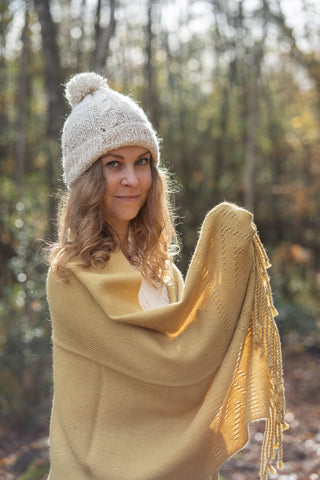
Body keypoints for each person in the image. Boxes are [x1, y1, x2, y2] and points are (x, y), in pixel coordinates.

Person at [46, 72, 287, 480]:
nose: (133, 179)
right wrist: (222, 262)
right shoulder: (70, 277)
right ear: (85, 177)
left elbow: (196, 378)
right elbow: (170, 369)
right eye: (113, 164)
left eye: (143, 162)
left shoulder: (163, 270)